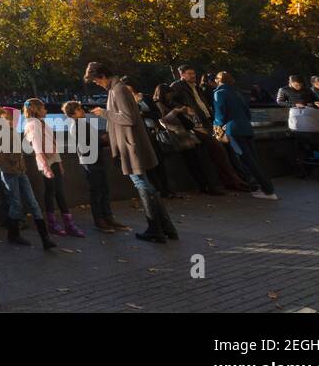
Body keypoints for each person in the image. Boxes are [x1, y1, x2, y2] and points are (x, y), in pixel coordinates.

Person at [85, 61, 177, 244]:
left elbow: (127, 118)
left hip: (130, 146)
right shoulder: (117, 88)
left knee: (142, 184)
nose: (97, 84)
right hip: (131, 144)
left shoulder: (118, 90)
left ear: (102, 76)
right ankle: (166, 227)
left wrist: (104, 113)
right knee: (145, 184)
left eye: (95, 81)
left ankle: (156, 228)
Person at [0, 105, 57, 249]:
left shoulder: (11, 131)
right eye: (12, 117)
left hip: (20, 171)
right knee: (16, 203)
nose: (15, 120)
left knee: (31, 203)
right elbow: (3, 155)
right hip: (10, 172)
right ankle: (14, 235)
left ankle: (44, 238)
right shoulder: (0, 133)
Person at [62, 100, 130, 232]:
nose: (82, 110)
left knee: (103, 190)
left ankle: (107, 218)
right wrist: (104, 139)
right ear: (72, 114)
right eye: (79, 109)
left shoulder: (82, 123)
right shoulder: (76, 126)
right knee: (97, 192)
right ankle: (100, 220)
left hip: (96, 160)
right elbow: (87, 144)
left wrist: (103, 140)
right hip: (90, 162)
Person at [212, 71, 278, 199]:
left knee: (246, 160)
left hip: (233, 130)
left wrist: (217, 126)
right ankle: (267, 187)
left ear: (218, 80)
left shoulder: (219, 93)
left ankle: (268, 190)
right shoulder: (237, 93)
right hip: (246, 128)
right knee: (254, 159)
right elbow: (247, 112)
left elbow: (220, 114)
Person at [24, 98, 83, 237]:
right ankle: (54, 224)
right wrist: (46, 167)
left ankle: (68, 224)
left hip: (53, 161)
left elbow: (53, 144)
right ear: (36, 109)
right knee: (51, 192)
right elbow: (37, 147)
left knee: (60, 192)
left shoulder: (41, 122)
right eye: (43, 107)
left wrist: (59, 162)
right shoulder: (33, 124)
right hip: (47, 163)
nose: (46, 110)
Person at [154, 87, 224, 196]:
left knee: (198, 161)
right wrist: (176, 111)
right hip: (178, 135)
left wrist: (185, 111)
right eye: (168, 94)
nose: (170, 96)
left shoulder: (171, 103)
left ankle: (207, 185)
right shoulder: (159, 105)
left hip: (186, 133)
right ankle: (203, 185)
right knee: (192, 162)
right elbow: (162, 120)